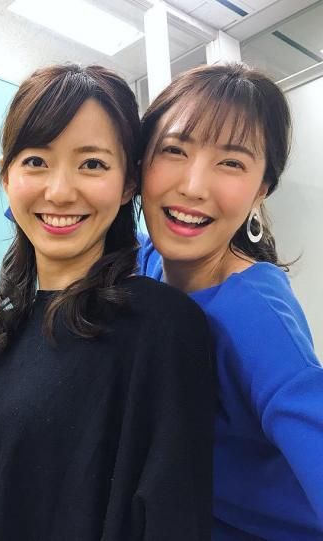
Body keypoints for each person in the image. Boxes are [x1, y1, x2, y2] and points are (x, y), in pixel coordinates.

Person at [0, 64, 215, 541]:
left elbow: (174, 515)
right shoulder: (0, 337)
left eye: (92, 164)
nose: (59, 191)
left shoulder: (163, 326)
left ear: (128, 185)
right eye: (36, 161)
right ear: (7, 176)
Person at [137, 62, 323, 540]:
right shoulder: (147, 261)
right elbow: (66, 213)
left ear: (261, 190)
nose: (193, 186)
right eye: (174, 150)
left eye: (232, 163)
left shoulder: (256, 316)